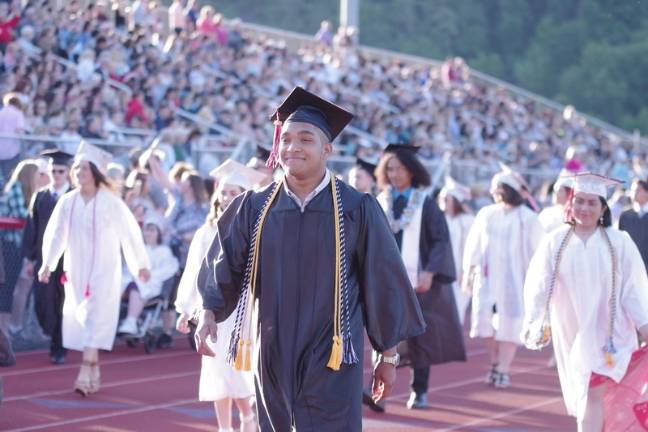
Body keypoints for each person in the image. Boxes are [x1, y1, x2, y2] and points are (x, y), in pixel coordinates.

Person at [194, 87, 425, 431]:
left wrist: (387, 355)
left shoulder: (356, 209)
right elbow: (224, 263)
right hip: (272, 348)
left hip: (331, 351)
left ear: (327, 149)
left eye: (305, 139)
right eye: (286, 139)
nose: (292, 147)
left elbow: (383, 282)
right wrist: (209, 312)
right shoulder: (254, 208)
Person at [522, 173, 648, 432]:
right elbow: (539, 285)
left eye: (592, 203)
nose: (584, 208)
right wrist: (536, 321)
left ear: (603, 207)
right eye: (579, 201)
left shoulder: (619, 242)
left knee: (595, 395)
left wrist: (644, 324)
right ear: (571, 203)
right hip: (573, 332)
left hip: (611, 336)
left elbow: (633, 288)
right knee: (589, 397)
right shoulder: (555, 242)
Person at [38, 142, 151, 396]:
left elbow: (130, 235)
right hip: (75, 269)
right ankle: (94, 368)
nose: (79, 173)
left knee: (94, 318)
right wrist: (48, 263)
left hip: (104, 269)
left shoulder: (111, 202)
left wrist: (139, 265)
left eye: (85, 169)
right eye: (76, 168)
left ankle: (84, 372)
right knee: (84, 319)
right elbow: (57, 235)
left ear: (96, 172)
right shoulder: (68, 201)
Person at [176, 159, 264, 432]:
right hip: (212, 312)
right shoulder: (206, 232)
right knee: (216, 371)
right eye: (224, 192)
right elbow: (194, 272)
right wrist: (184, 308)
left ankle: (247, 417)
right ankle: (225, 428)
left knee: (238, 370)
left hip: (244, 311)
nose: (227, 198)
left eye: (234, 192)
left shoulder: (257, 231)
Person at [375, 144, 465, 410]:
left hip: (418, 281)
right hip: (387, 281)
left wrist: (430, 272)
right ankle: (379, 391)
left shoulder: (425, 203)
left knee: (419, 338)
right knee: (384, 337)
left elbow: (440, 241)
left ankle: (420, 390)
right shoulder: (379, 201)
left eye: (400, 168)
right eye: (390, 169)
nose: (394, 174)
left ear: (412, 171)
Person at [463, 166, 543, 389]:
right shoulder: (486, 214)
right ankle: (495, 361)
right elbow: (474, 243)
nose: (495, 191)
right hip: (487, 277)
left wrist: (536, 279)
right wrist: (470, 270)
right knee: (484, 322)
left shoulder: (527, 218)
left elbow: (538, 250)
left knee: (510, 321)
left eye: (500, 186)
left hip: (515, 278)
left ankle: (504, 368)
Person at [22, 150, 73, 364]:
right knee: (42, 302)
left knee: (63, 302)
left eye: (61, 170)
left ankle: (59, 345)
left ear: (68, 172)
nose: (57, 174)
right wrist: (29, 258)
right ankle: (52, 333)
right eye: (53, 170)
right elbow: (31, 229)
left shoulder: (74, 197)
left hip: (68, 260)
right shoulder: (41, 196)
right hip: (45, 259)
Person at [117, 214, 178, 336]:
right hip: (130, 281)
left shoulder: (164, 251)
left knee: (137, 285)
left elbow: (170, 269)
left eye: (152, 230)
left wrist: (150, 274)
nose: (148, 234)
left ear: (158, 233)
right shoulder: (138, 250)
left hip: (151, 284)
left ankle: (131, 321)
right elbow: (127, 268)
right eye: (146, 230)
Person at [0, 159, 39, 337]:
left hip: (17, 245)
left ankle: (9, 329)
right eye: (38, 174)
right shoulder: (16, 186)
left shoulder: (26, 191)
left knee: (15, 286)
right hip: (8, 244)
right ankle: (5, 331)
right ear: (30, 175)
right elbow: (22, 215)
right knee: (7, 287)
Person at [439, 177, 474, 326]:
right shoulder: (438, 219)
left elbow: (470, 248)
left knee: (456, 311)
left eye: (447, 198)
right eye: (441, 198)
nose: (443, 201)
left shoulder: (467, 221)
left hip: (460, 272)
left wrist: (466, 272)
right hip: (440, 271)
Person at [618, 175, 648, 272]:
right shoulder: (625, 216)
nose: (633, 193)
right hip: (628, 267)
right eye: (632, 190)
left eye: (638, 190)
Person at [0, 93, 27, 181]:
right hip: (12, 152)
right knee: (9, 177)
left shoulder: (1, 113)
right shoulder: (18, 113)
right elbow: (20, 131)